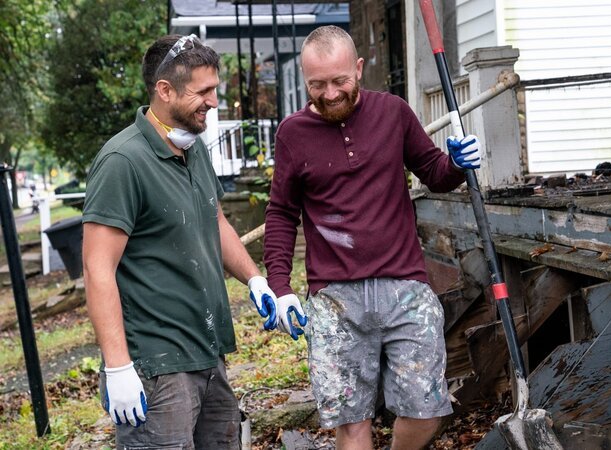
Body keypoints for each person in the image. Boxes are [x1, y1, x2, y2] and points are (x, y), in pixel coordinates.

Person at [263, 25, 483, 450]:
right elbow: (282, 213)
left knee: (426, 411)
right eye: (317, 85)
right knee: (352, 422)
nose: (330, 94)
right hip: (335, 298)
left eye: (339, 81)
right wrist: (280, 287)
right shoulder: (292, 133)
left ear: (359, 68)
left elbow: (434, 172)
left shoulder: (393, 112)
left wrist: (457, 164)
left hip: (405, 287)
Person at [82, 34, 278, 449]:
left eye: (214, 89)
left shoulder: (194, 147)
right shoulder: (122, 162)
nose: (214, 102)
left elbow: (215, 219)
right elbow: (98, 270)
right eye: (203, 92)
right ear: (165, 90)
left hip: (207, 351)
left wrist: (254, 279)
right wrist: (118, 367)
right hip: (157, 367)